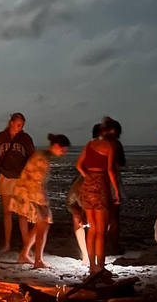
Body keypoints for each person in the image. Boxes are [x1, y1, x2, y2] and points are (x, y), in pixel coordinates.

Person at [9, 133, 71, 269]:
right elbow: (37, 182)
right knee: (43, 224)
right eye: (62, 150)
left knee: (40, 225)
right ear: (55, 146)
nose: (62, 153)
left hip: (25, 191)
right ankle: (38, 260)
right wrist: (43, 202)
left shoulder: (43, 156)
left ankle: (24, 254)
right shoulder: (42, 159)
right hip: (28, 193)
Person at [76, 125, 120, 275]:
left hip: (88, 184)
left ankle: (92, 265)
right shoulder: (109, 146)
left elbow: (79, 165)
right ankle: (100, 266)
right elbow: (110, 170)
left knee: (92, 228)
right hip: (101, 184)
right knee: (101, 230)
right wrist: (116, 190)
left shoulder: (89, 144)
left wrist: (88, 176)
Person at [0, 112, 35, 254]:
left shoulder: (25, 138)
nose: (20, 128)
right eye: (18, 125)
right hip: (5, 177)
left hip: (21, 178)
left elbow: (31, 156)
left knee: (23, 213)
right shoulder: (1, 137)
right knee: (7, 212)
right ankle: (7, 244)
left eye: (22, 126)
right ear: (11, 123)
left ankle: (26, 246)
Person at [101, 117, 126, 254]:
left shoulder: (98, 143)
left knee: (102, 216)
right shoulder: (116, 144)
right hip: (112, 180)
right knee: (114, 217)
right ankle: (114, 245)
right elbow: (121, 162)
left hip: (99, 180)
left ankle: (101, 244)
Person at [65, 173, 90, 266]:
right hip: (77, 204)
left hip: (98, 202)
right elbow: (69, 204)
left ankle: (94, 252)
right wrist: (77, 214)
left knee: (97, 225)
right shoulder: (75, 191)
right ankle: (85, 255)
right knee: (77, 220)